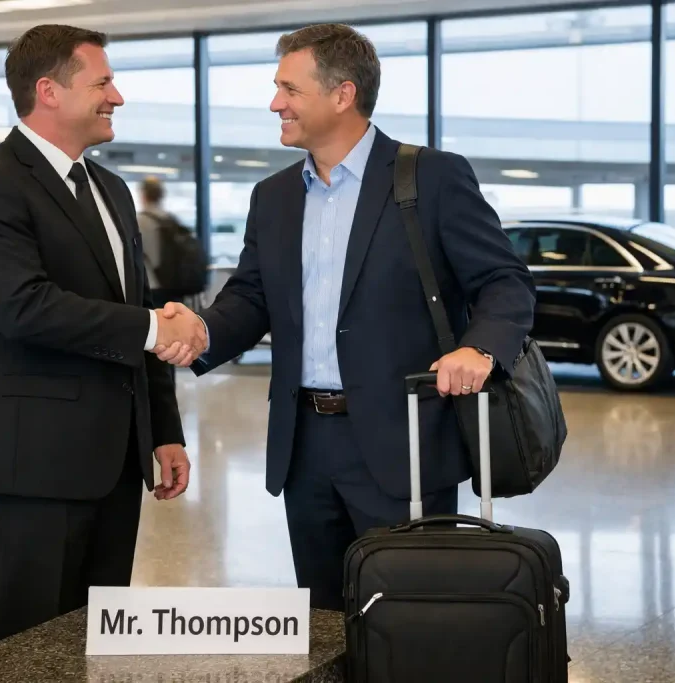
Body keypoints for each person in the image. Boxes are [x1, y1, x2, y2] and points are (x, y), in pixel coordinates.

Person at [156, 24, 536, 611]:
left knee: (410, 621)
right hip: (303, 444)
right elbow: (252, 296)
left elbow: (504, 281)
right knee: (327, 618)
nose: (274, 103)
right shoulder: (274, 196)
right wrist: (202, 330)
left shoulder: (431, 178)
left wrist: (479, 350)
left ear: (342, 95)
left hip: (404, 439)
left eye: (289, 89)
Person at [0, 24, 204, 648]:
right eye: (103, 82)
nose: (117, 96)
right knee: (26, 645)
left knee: (97, 637)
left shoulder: (110, 189)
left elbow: (134, 309)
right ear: (48, 91)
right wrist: (153, 326)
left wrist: (164, 431)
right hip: (34, 464)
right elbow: (23, 307)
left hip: (115, 462)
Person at [137, 176, 173, 308]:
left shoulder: (139, 221)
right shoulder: (169, 219)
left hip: (150, 284)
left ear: (143, 195)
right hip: (171, 284)